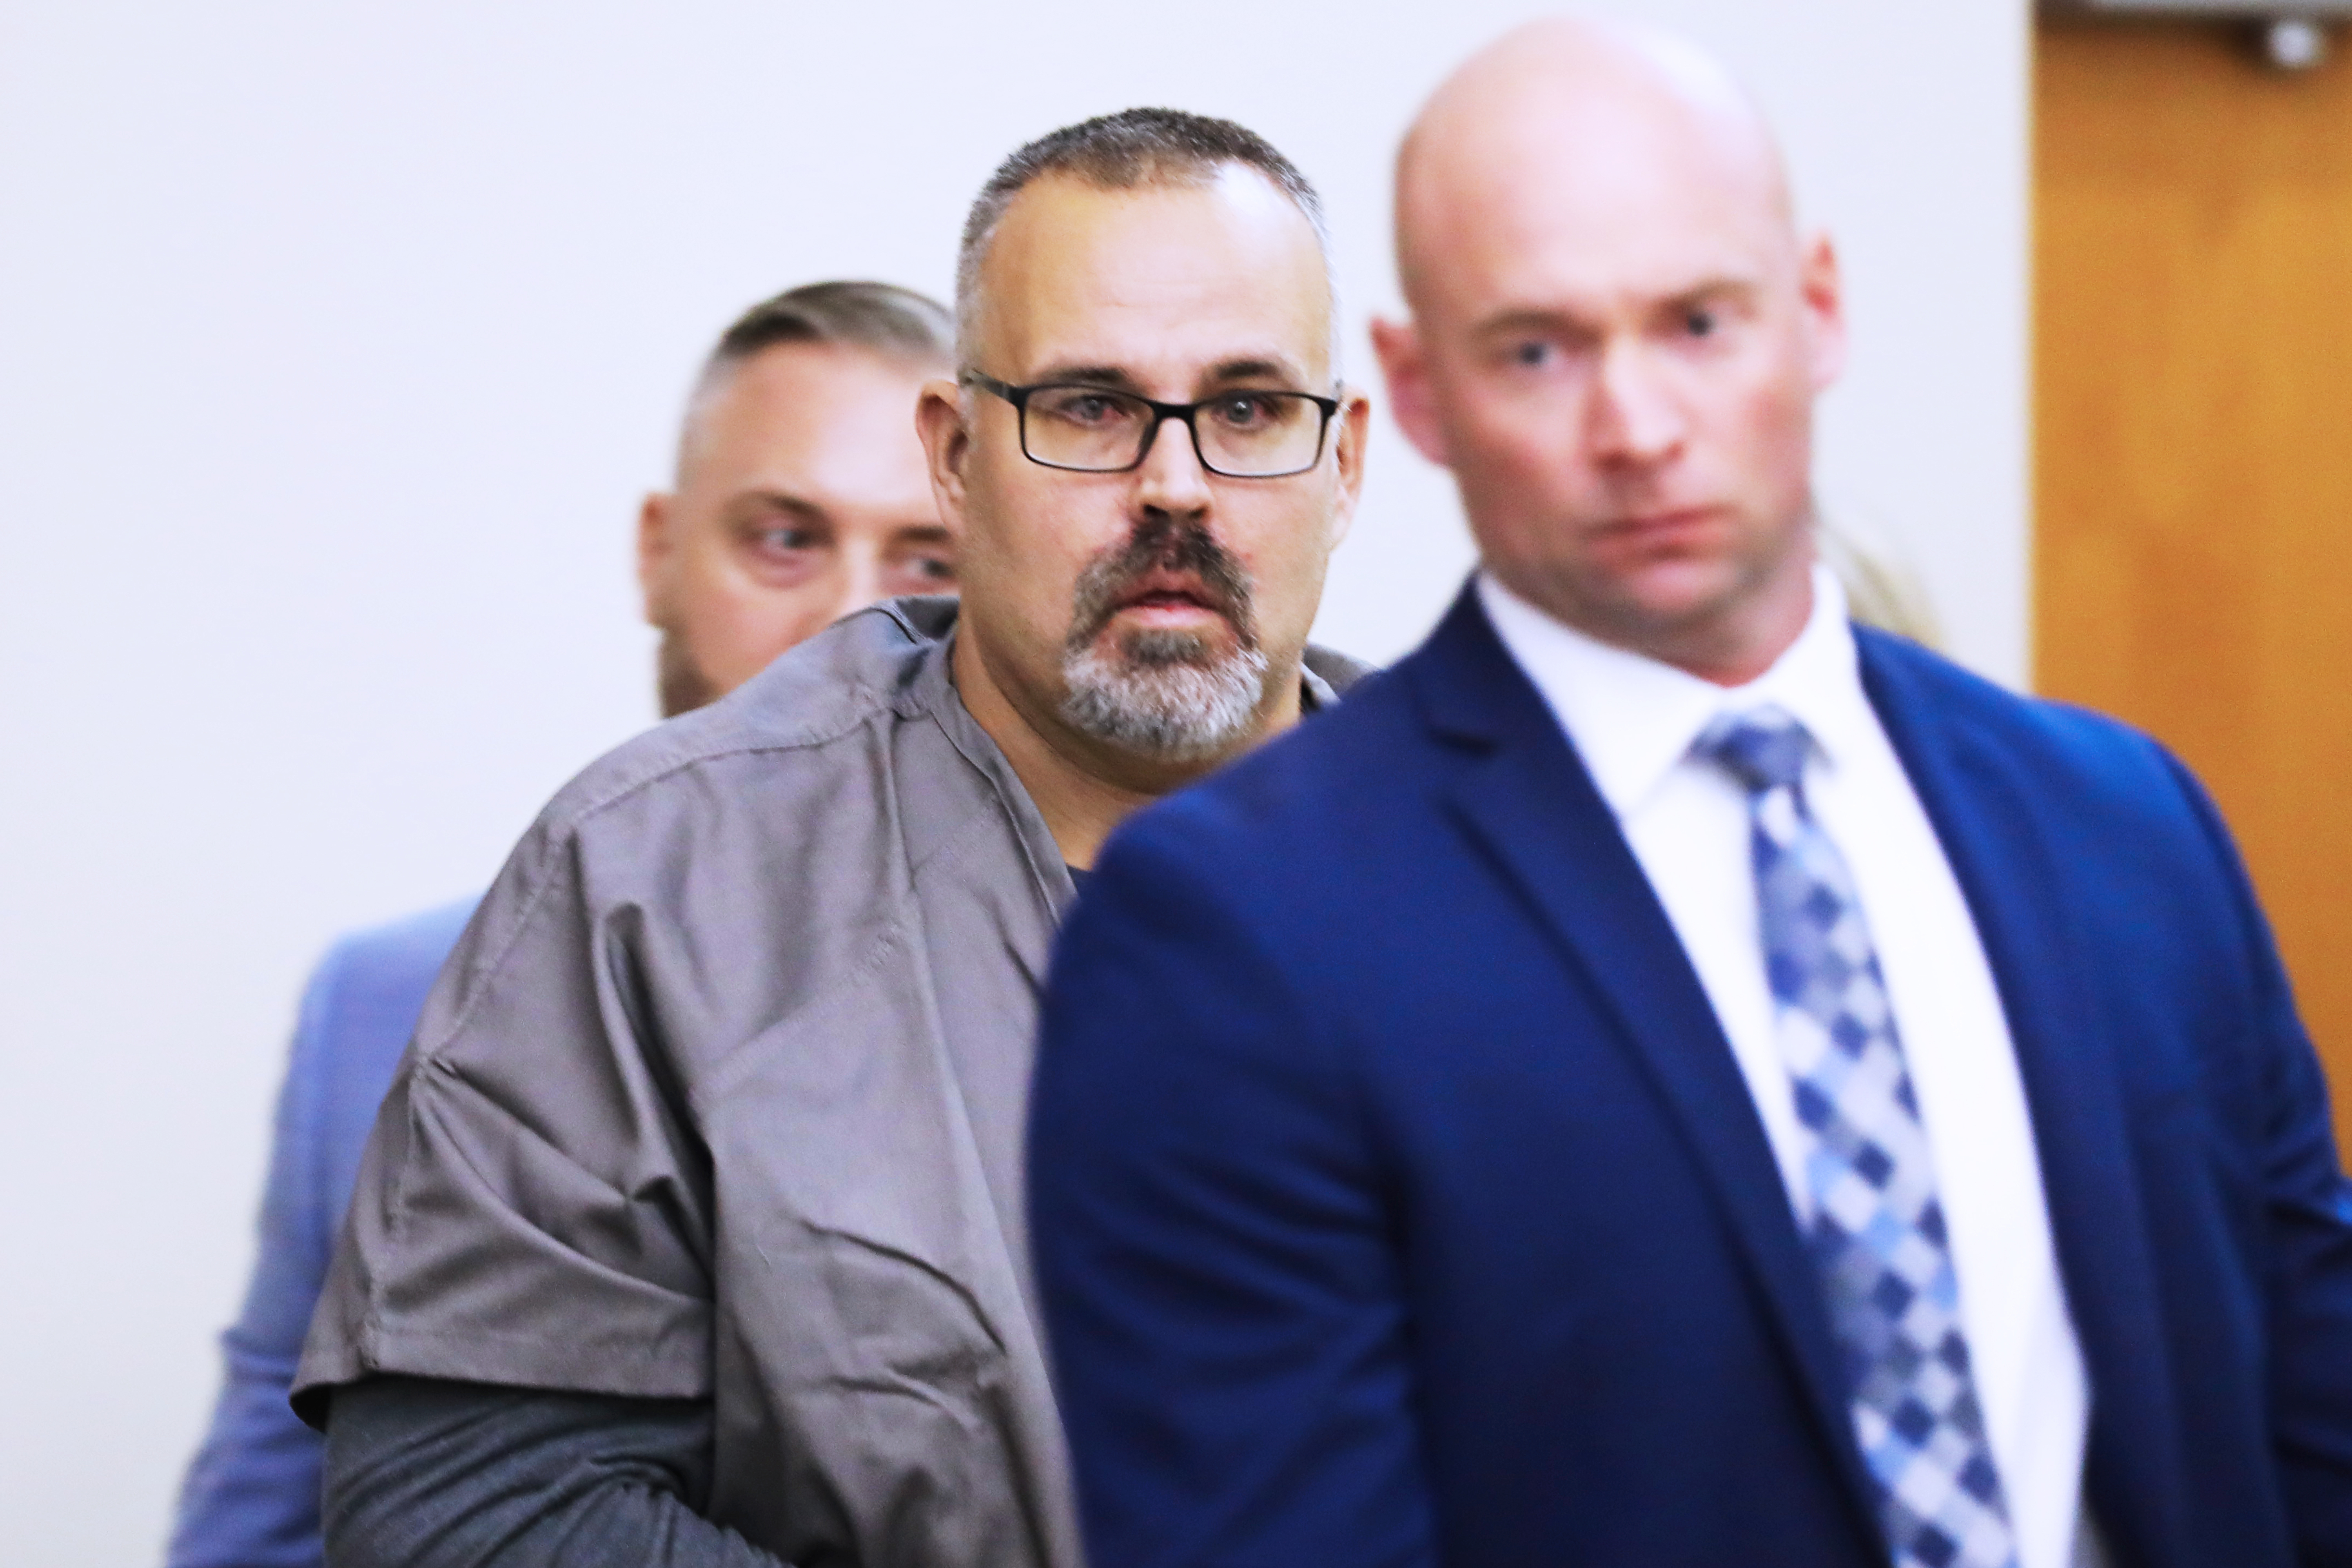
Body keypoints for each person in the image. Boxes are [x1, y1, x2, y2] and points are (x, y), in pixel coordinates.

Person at [1027, 22, 2352, 1568]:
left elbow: (2313, 1427)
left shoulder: (2123, 825)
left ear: (1820, 308)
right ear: (1420, 391)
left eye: (1700, 324)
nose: (1637, 428)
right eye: (1539, 348)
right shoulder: (1239, 933)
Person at [292, 108, 1370, 1568]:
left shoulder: (1547, 888)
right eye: (1090, 407)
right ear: (957, 453)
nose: (1173, 486)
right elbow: (472, 1518)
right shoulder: (658, 890)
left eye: (1246, 409)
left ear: (1344, 459)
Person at [164, 279, 959, 1568]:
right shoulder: (379, 1011)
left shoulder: (1090, 1005)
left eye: (928, 564)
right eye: (783, 538)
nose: (850, 625)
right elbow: (260, 1534)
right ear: (658, 551)